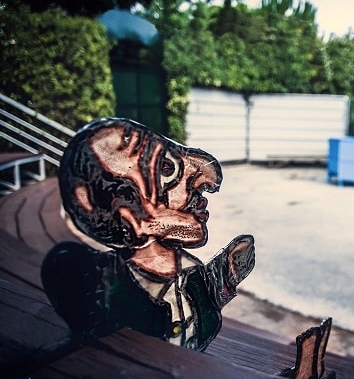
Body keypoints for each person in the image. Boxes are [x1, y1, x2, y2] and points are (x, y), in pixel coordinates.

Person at [41, 117, 255, 351]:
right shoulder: (111, 286)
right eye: (167, 169)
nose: (207, 180)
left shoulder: (191, 275)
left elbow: (204, 313)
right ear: (125, 212)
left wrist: (223, 279)